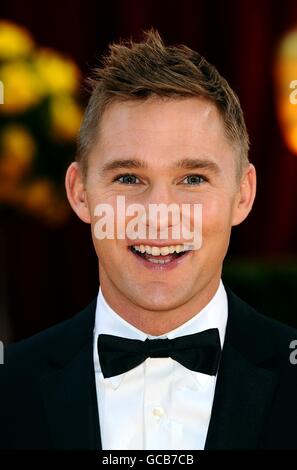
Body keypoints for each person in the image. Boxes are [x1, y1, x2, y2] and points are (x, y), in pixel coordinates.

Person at [0, 29, 297, 450]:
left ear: (243, 195)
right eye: (128, 178)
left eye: (193, 178)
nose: (159, 214)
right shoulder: (9, 387)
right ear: (80, 193)